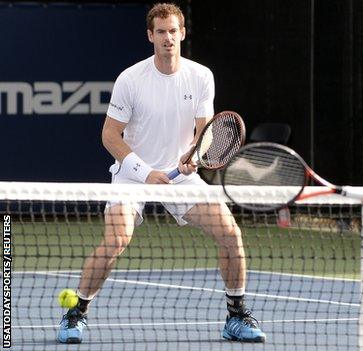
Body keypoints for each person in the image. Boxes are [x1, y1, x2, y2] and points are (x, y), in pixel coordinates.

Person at [57, 3, 265, 344]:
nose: (168, 38)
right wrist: (144, 171)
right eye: (161, 32)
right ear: (150, 36)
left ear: (182, 33)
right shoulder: (131, 78)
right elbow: (110, 135)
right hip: (132, 177)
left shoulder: (201, 76)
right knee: (116, 241)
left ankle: (237, 315)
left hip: (181, 176)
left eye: (173, 31)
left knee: (231, 234)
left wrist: (193, 155)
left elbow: (204, 130)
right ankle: (75, 314)